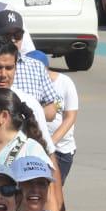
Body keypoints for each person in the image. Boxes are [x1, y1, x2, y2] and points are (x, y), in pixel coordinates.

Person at [40, 53, 79, 183]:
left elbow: (70, 117)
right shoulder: (28, 83)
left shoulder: (64, 83)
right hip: (34, 148)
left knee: (53, 193)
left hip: (60, 149)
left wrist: (50, 144)